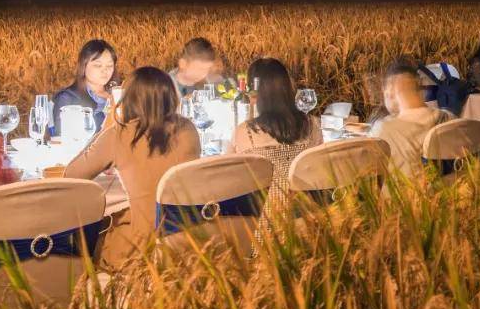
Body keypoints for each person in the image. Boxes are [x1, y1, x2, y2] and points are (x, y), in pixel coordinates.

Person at [63, 66, 201, 267]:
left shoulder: (120, 134)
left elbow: (72, 174)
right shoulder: (188, 129)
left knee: (92, 236)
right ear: (171, 95)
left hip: (140, 249)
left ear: (129, 98)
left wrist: (109, 125)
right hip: (186, 242)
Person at [229, 58, 322, 211]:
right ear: (288, 87)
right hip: (306, 221)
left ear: (255, 91)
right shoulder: (314, 125)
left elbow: (231, 175)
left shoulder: (244, 132)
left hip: (261, 223)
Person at [370, 59, 453, 177]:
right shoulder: (447, 117)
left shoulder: (384, 129)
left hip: (403, 194)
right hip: (447, 190)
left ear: (390, 92)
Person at [52, 39, 118, 136]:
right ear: (84, 65)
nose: (105, 70)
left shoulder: (119, 95)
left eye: (109, 65)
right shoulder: (68, 98)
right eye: (98, 65)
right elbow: (65, 136)